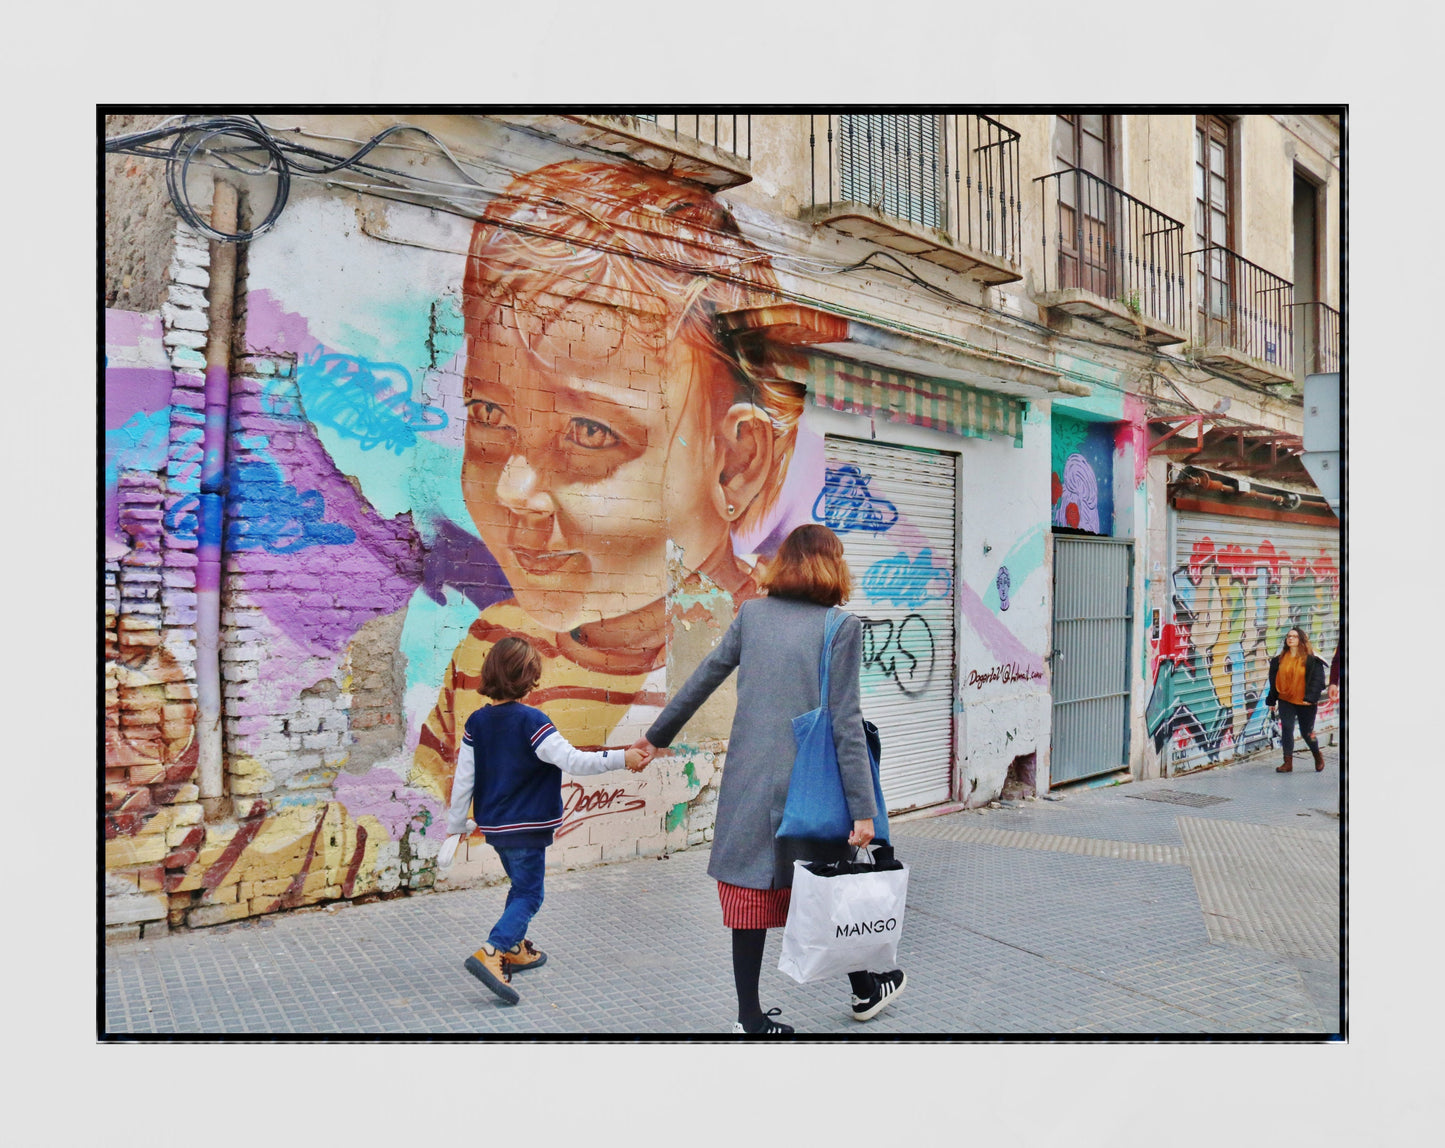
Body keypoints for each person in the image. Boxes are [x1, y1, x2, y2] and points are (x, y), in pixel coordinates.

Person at [410, 158, 805, 804]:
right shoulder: (492, 648)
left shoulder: (760, 650)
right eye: (487, 415)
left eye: (590, 433)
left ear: (735, 463)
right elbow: (430, 807)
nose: (513, 491)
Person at [632, 524, 906, 1034]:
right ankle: (866, 987)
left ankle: (751, 1018)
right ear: (831, 566)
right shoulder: (841, 627)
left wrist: (655, 737)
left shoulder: (751, 615)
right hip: (813, 787)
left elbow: (706, 675)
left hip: (750, 781)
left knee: (750, 896)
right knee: (822, 884)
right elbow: (845, 723)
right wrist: (863, 809)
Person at [442, 635, 649, 1004]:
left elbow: (464, 779)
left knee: (519, 885)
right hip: (529, 826)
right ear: (529, 677)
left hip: (496, 828)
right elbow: (573, 761)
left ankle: (516, 947)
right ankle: (492, 951)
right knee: (530, 892)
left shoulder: (478, 722)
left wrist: (458, 824)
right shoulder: (531, 721)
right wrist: (622, 757)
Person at [1265, 626, 1328, 773]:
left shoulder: (1312, 659)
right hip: (1285, 700)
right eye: (1288, 636)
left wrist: (1311, 698)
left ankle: (1317, 754)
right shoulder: (1278, 660)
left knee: (1307, 732)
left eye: (1294, 636)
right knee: (1287, 729)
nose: (1290, 638)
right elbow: (1274, 681)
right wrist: (1271, 700)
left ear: (1301, 640)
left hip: (1305, 702)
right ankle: (1288, 763)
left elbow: (1318, 681)